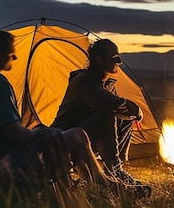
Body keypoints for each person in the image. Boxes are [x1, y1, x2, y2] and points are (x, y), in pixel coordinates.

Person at [0, 30, 120, 193]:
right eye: (11, 54)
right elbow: (16, 134)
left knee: (62, 140)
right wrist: (38, 133)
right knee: (78, 135)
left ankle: (90, 188)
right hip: (9, 165)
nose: (14, 58)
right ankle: (107, 187)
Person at [51, 38, 147, 189]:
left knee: (125, 117)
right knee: (107, 113)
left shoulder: (105, 83)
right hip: (68, 138)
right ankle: (114, 168)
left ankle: (115, 169)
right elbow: (108, 103)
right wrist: (136, 109)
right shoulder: (84, 82)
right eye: (114, 57)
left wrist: (134, 113)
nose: (119, 61)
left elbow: (118, 106)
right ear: (100, 60)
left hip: (86, 134)